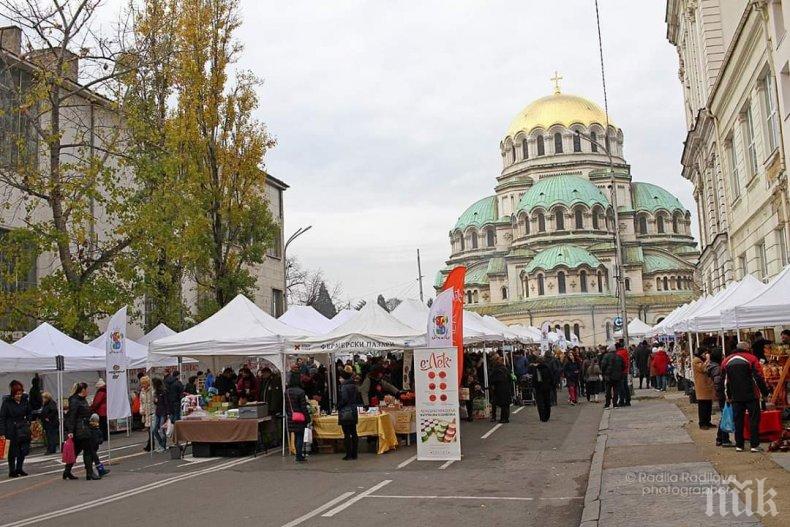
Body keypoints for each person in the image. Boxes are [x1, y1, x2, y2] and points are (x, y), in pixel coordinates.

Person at [723, 342, 770, 452]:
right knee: (754, 420)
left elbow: (725, 381)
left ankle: (739, 445)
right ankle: (754, 445)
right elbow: (758, 378)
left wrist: (728, 395)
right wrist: (765, 393)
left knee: (738, 420)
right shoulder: (752, 359)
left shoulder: (726, 361)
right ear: (746, 349)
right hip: (751, 395)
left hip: (735, 396)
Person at [63, 382, 98, 480]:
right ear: (83, 390)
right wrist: (70, 431)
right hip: (81, 429)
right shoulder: (75, 401)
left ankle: (67, 471)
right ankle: (89, 473)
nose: (88, 391)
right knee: (88, 451)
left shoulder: (82, 400)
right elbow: (72, 416)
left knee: (76, 451)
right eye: (87, 389)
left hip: (83, 427)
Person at [0, 380, 32, 478]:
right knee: (12, 451)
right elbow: (2, 418)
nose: (19, 396)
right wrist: (2, 432)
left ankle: (19, 468)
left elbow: (29, 413)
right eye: (17, 394)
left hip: (23, 428)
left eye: (20, 393)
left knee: (23, 450)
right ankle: (12, 470)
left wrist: (29, 421)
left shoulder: (25, 401)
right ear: (13, 394)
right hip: (11, 429)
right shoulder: (7, 403)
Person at [707, 349, 732, 447]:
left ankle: (721, 438)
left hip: (720, 394)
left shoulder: (713, 367)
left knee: (724, 415)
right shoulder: (717, 368)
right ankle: (723, 439)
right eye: (722, 355)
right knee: (724, 416)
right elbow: (718, 383)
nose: (723, 356)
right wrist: (723, 394)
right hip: (722, 395)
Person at [285, 373, 310, 463]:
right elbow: (303, 407)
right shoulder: (301, 392)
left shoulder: (287, 392)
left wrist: (289, 414)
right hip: (300, 417)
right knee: (300, 436)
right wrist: (307, 418)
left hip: (291, 416)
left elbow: (286, 406)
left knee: (295, 435)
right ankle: (299, 456)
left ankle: (297, 454)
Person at [338, 370, 359, 460]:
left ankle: (348, 454)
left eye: (340, 377)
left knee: (346, 433)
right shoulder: (354, 385)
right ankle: (355, 453)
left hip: (346, 411)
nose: (339, 379)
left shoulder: (344, 387)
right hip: (353, 409)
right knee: (354, 432)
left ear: (343, 378)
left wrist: (339, 406)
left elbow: (344, 399)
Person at [692, 350, 715, 429]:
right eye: (704, 353)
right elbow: (703, 369)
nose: (706, 355)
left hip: (706, 386)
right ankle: (702, 423)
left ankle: (708, 422)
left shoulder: (701, 361)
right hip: (701, 387)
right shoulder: (696, 361)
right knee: (703, 406)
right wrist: (708, 360)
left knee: (708, 405)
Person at [489, 355, 513, 423]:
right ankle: (505, 418)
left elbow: (493, 380)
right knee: (506, 404)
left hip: (499, 389)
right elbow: (510, 378)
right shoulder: (505, 368)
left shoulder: (496, 369)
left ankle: (502, 418)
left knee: (500, 404)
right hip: (506, 388)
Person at [528, 357, 553, 422]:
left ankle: (542, 417)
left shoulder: (536, 369)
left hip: (539, 388)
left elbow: (534, 379)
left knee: (540, 403)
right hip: (547, 387)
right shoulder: (547, 368)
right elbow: (551, 377)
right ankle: (547, 416)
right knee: (547, 401)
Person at [152, 377, 168, 452]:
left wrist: (167, 413)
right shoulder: (156, 393)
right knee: (154, 430)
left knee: (162, 430)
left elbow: (166, 403)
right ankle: (161, 444)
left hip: (163, 412)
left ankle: (163, 446)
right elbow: (156, 402)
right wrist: (155, 401)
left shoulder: (163, 392)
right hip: (157, 411)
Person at [139, 376, 154, 452]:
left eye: (144, 383)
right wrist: (141, 410)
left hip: (152, 411)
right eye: (142, 384)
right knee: (149, 429)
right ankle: (151, 444)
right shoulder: (142, 391)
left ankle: (150, 445)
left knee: (152, 429)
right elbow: (141, 402)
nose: (143, 385)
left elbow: (154, 400)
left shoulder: (152, 390)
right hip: (145, 412)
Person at [616, 341, 631, 406]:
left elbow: (618, 363)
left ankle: (622, 401)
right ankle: (628, 400)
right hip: (625, 371)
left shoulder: (618, 353)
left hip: (620, 371)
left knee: (620, 387)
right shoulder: (625, 351)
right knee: (625, 386)